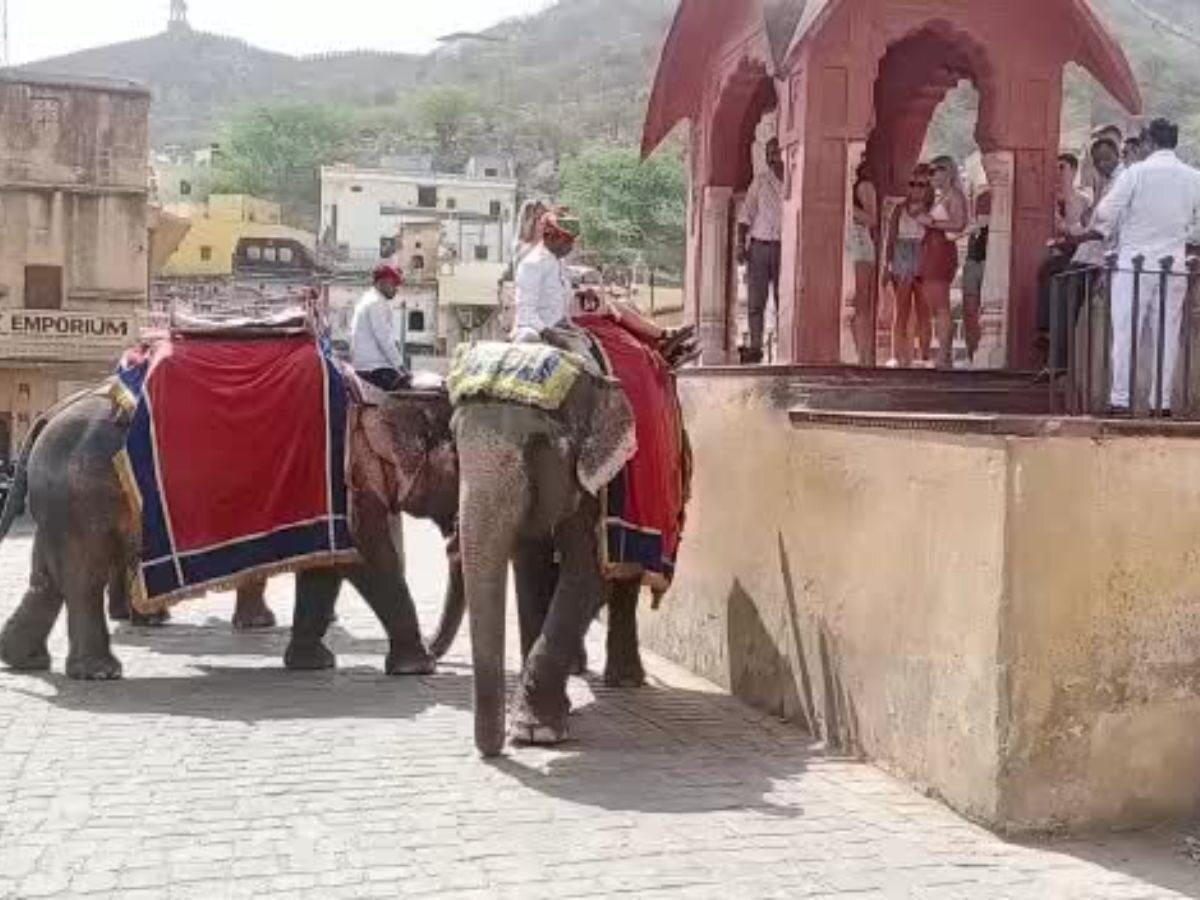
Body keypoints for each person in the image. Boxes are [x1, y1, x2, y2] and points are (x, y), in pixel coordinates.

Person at [1086, 117, 1200, 411]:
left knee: (1126, 332)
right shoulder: (1193, 177)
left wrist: (1105, 228)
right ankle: (1160, 402)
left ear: (1149, 142)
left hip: (1132, 264)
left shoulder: (1135, 173)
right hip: (1173, 265)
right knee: (1167, 334)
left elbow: (1106, 213)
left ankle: (1120, 399)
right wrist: (1184, 239)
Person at [917, 155, 968, 369]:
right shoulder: (942, 196)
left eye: (935, 171)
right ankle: (943, 354)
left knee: (941, 306)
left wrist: (932, 222)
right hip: (931, 249)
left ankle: (944, 355)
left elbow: (959, 224)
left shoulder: (954, 196)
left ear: (947, 171)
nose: (931, 175)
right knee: (935, 304)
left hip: (941, 251)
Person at [738, 138, 785, 364]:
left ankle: (784, 347)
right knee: (756, 301)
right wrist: (741, 245)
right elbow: (745, 215)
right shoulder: (760, 181)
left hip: (784, 248)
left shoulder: (794, 180)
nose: (771, 157)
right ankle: (756, 348)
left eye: (775, 152)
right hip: (759, 246)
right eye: (769, 153)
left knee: (782, 300)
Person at [886, 165, 932, 367]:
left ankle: (924, 356)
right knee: (901, 308)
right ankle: (897, 355)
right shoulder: (899, 209)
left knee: (924, 309)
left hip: (923, 254)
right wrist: (887, 266)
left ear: (927, 187)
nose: (916, 189)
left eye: (921, 185)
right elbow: (891, 238)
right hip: (902, 255)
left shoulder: (932, 211)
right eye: (912, 184)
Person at [511, 209, 579, 343]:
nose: (570, 247)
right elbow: (526, 313)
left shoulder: (559, 261)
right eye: (566, 241)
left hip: (557, 328)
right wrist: (548, 334)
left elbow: (558, 293)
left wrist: (579, 293)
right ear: (549, 237)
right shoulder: (533, 264)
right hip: (536, 331)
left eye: (572, 242)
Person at [350, 263, 410, 392]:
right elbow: (384, 338)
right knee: (411, 393)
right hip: (375, 369)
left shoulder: (367, 299)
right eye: (393, 284)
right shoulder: (376, 303)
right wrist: (400, 366)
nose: (396, 289)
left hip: (365, 365)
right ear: (381, 283)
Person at [849, 162, 879, 364]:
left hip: (859, 245)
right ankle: (854, 352)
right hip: (843, 246)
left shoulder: (863, 185)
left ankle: (864, 357)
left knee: (861, 304)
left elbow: (872, 219)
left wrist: (846, 205)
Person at [961, 187, 992, 365]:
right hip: (973, 259)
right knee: (969, 309)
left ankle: (983, 355)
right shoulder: (982, 197)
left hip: (993, 261)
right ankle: (972, 354)